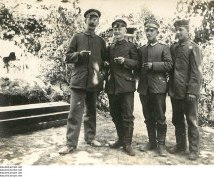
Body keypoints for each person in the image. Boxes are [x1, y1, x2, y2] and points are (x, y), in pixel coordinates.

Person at [59, 9, 107, 155]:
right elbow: (67, 57)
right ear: (85, 20)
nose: (93, 21)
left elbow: (105, 61)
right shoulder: (77, 38)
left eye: (96, 18)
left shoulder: (100, 41)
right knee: (74, 113)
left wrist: (103, 74)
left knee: (91, 112)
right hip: (79, 82)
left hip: (94, 82)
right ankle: (70, 144)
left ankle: (90, 138)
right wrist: (79, 55)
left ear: (98, 22)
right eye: (90, 18)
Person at [168, 19, 203, 161]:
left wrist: (193, 91)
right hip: (176, 91)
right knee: (177, 120)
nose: (178, 32)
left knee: (192, 121)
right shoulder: (173, 47)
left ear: (188, 31)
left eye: (181, 30)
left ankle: (194, 150)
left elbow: (197, 72)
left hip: (189, 93)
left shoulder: (194, 48)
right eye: (176, 30)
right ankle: (181, 145)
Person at [138, 19, 173, 157]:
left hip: (158, 87)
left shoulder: (164, 48)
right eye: (147, 30)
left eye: (152, 30)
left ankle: (161, 145)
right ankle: (151, 142)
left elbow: (169, 65)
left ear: (157, 32)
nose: (149, 32)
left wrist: (154, 66)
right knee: (148, 116)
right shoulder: (141, 49)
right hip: (144, 88)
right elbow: (137, 67)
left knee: (160, 116)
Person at [105, 19, 139, 156]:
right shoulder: (110, 47)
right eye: (115, 29)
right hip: (112, 86)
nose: (117, 31)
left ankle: (127, 143)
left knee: (127, 116)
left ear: (125, 31)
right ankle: (120, 139)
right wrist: (105, 63)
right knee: (115, 114)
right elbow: (104, 63)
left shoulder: (131, 47)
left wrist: (125, 61)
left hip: (126, 86)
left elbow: (137, 64)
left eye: (120, 29)